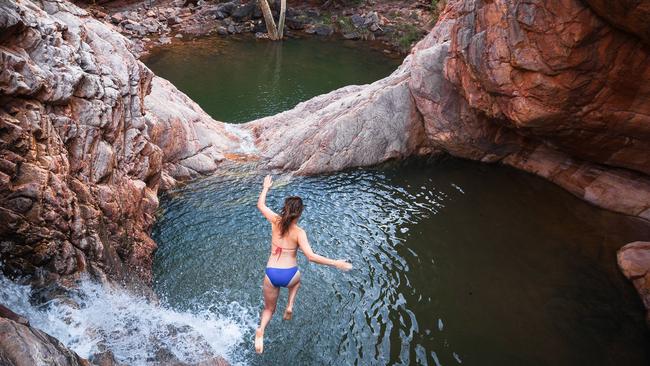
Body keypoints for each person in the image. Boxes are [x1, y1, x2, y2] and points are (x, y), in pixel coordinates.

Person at [254, 175, 352, 354]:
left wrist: (266, 187)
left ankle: (261, 330)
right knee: (297, 282)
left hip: (271, 274)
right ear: (299, 214)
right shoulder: (300, 233)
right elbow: (311, 257)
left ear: (285, 209)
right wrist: (336, 263)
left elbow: (260, 205)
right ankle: (290, 305)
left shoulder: (275, 220)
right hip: (289, 274)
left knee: (269, 308)